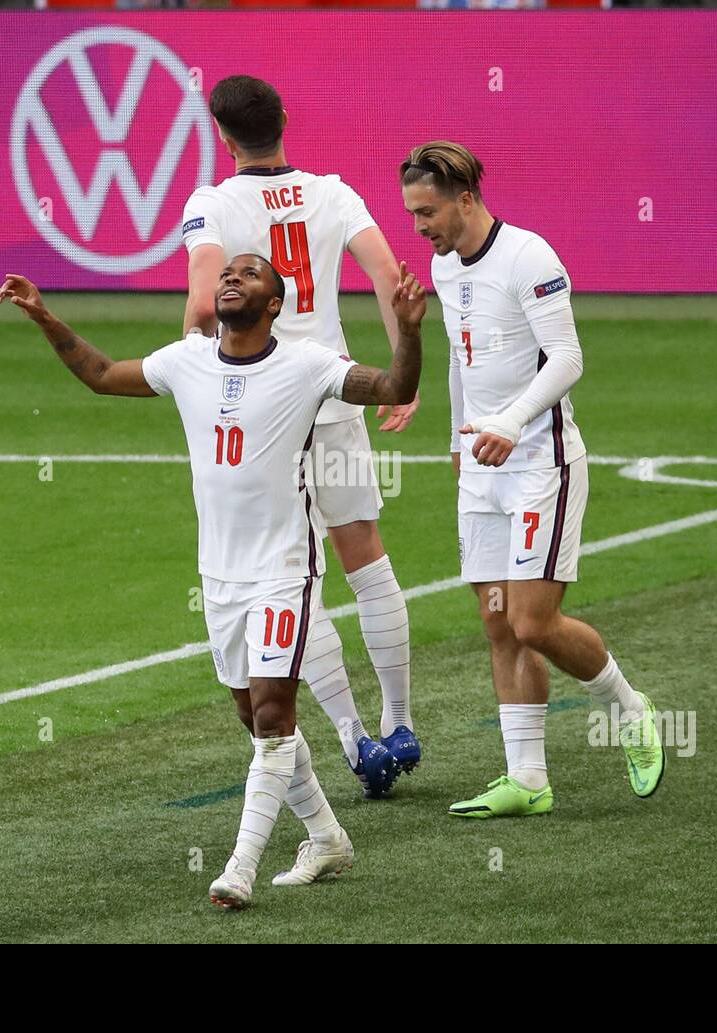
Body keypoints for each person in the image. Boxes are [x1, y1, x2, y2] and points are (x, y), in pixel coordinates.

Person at [0, 254, 425, 907]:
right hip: (219, 576)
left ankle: (240, 867)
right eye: (228, 273)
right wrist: (46, 316)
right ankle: (327, 837)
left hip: (284, 569)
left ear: (275, 303)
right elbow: (105, 375)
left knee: (277, 712)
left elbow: (392, 388)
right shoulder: (187, 359)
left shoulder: (307, 364)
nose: (231, 278)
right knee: (254, 716)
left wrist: (411, 331)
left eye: (250, 275)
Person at [399, 141, 664, 819]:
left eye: (428, 210)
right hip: (481, 466)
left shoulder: (529, 258)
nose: (420, 226)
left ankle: (631, 709)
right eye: (413, 213)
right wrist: (456, 437)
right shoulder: (443, 266)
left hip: (540, 461)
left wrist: (513, 421)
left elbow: (569, 358)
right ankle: (528, 778)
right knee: (497, 626)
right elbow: (463, 361)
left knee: (532, 619)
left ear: (465, 197)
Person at [181, 75, 420, 796]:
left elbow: (200, 296)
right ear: (286, 118)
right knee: (365, 556)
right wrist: (402, 367)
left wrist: (196, 367)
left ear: (223, 137)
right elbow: (387, 272)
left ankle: (354, 740)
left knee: (289, 577)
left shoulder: (213, 203)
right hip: (336, 391)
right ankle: (401, 719)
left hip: (263, 411)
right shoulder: (333, 192)